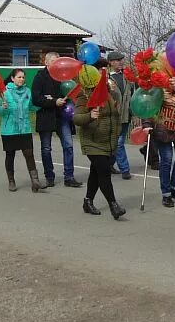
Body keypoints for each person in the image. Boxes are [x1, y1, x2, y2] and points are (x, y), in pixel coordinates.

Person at [73, 71, 126, 220]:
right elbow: (76, 118)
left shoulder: (110, 94)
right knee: (104, 172)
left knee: (96, 172)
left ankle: (87, 201)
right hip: (92, 141)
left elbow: (116, 114)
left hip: (108, 141)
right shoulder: (84, 95)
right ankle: (113, 205)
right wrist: (90, 116)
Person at [142, 77, 175, 208]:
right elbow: (148, 106)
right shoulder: (156, 86)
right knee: (166, 161)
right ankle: (166, 194)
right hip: (163, 128)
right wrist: (146, 124)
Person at [31, 52, 82, 188]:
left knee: (68, 145)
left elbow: (69, 93)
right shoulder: (40, 77)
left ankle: (69, 176)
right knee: (46, 148)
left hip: (62, 116)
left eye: (57, 61)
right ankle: (49, 176)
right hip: (46, 117)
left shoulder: (63, 77)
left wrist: (58, 100)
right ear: (46, 62)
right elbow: (36, 98)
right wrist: (53, 101)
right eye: (53, 61)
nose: (56, 63)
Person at [0, 69, 47, 192]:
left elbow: (31, 107)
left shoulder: (27, 92)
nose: (22, 79)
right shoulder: (5, 92)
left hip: (24, 129)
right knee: (10, 155)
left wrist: (43, 103)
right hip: (9, 130)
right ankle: (11, 181)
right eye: (19, 77)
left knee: (29, 154)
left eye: (23, 77)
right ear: (12, 78)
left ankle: (35, 181)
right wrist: (3, 108)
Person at [107, 51, 133, 180]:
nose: (120, 62)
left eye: (121, 59)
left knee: (116, 142)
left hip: (126, 115)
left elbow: (133, 95)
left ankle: (109, 165)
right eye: (117, 60)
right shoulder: (106, 78)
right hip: (113, 116)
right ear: (111, 62)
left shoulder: (127, 77)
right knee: (118, 142)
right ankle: (125, 169)